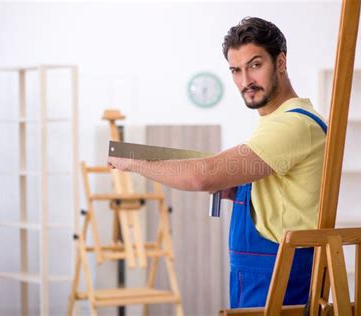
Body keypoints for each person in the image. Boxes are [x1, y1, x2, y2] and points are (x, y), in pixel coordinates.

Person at [107, 17, 326, 309]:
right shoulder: (275, 123)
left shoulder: (293, 124)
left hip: (281, 274)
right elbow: (286, 197)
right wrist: (243, 193)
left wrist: (133, 161)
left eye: (255, 65)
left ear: (281, 62)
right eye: (236, 70)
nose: (245, 81)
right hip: (260, 270)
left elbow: (203, 176)